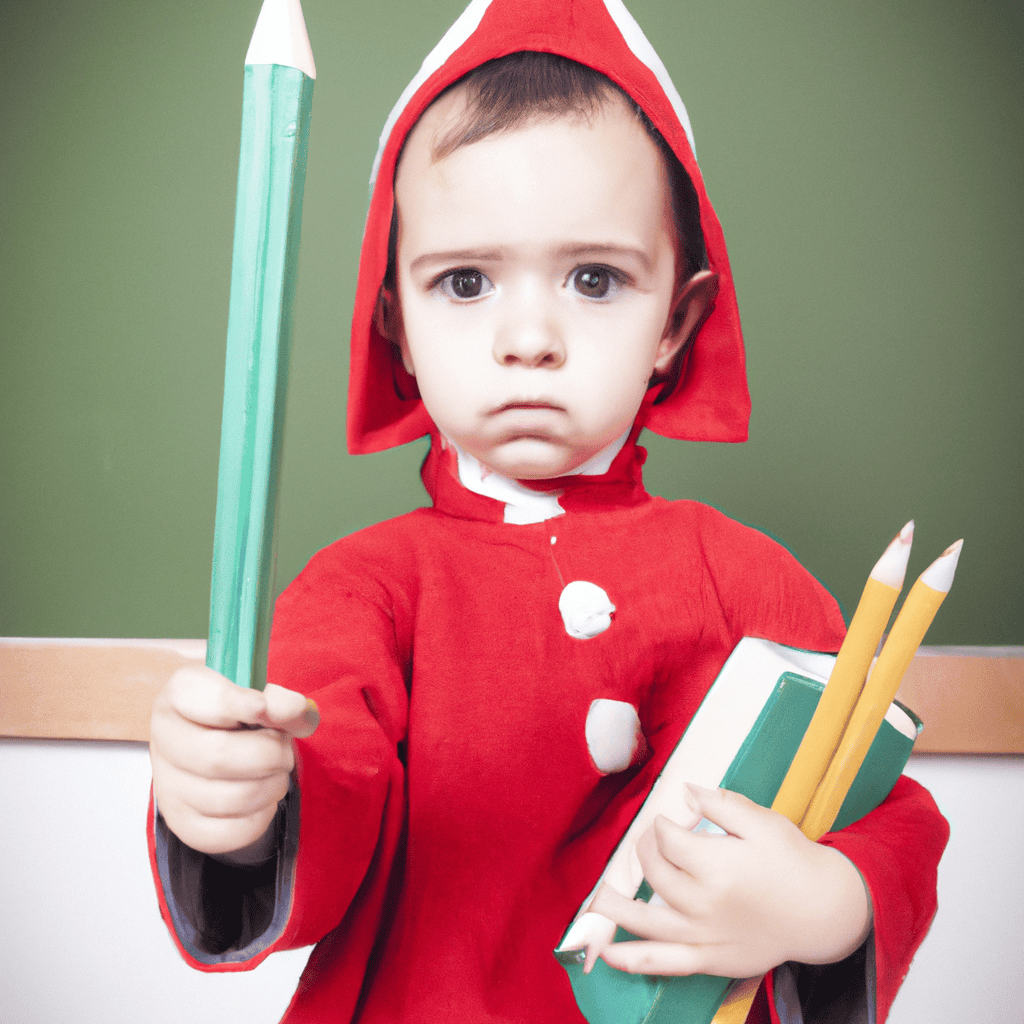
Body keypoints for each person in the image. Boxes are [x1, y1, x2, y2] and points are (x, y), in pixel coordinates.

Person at [147, 2, 948, 1021]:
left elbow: (876, 805)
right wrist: (238, 806)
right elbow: (323, 773)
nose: (529, 336)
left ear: (677, 319)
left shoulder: (750, 583)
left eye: (594, 278)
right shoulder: (361, 590)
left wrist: (825, 905)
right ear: (396, 320)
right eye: (466, 281)